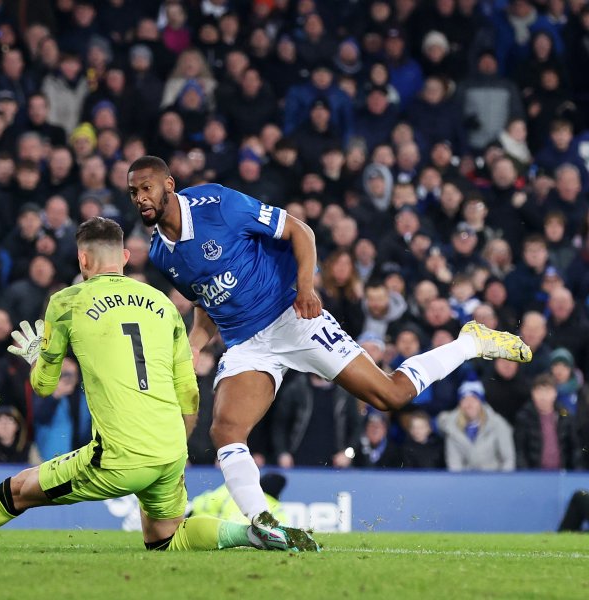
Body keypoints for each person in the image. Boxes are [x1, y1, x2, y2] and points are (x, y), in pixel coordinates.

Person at [0, 217, 318, 553]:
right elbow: (189, 394)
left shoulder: (67, 301)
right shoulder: (162, 303)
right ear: (124, 257)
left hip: (121, 455)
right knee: (166, 538)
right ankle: (251, 532)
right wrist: (174, 449)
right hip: (169, 448)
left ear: (82, 260)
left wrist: (37, 358)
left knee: (18, 491)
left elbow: (43, 388)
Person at [128, 155, 531, 526]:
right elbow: (206, 301)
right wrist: (197, 344)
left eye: (146, 187)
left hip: (293, 315)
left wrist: (306, 288)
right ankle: (264, 525)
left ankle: (470, 343)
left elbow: (299, 231)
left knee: (389, 396)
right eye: (133, 192)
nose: (140, 198)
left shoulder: (216, 204)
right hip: (248, 345)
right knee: (225, 430)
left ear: (169, 184)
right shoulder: (162, 257)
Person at [436, 381, 515, 472]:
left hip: (494, 480)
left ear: (481, 402)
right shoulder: (452, 427)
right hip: (465, 482)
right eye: (464, 399)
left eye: (473, 399)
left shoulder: (498, 424)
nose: (469, 404)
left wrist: (503, 482)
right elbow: (454, 464)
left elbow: (508, 459)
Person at [190, 473, 289, 526]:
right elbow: (280, 531)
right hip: (250, 542)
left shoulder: (231, 490)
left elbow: (200, 505)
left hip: (213, 532)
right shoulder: (276, 508)